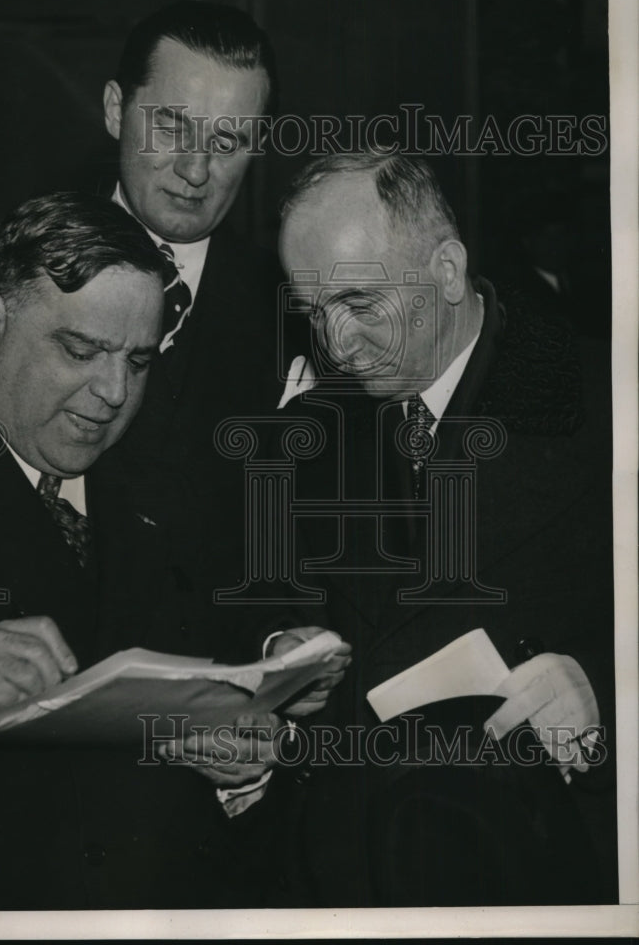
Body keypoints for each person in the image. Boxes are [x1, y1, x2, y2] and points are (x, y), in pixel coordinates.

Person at [0, 192, 346, 910]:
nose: (112, 393)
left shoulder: (163, 485)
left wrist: (245, 759)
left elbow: (219, 668)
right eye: (80, 351)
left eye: (137, 361)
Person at [274, 151, 616, 905]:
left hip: (554, 877)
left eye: (361, 304)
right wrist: (280, 664)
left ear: (448, 270)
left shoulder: (608, 402)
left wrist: (605, 693)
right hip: (358, 884)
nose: (335, 345)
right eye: (312, 312)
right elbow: (284, 616)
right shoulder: (309, 434)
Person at [94, 0, 301, 651]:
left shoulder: (297, 313)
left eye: (226, 142)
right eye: (172, 127)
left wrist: (279, 649)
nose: (194, 170)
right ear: (113, 110)